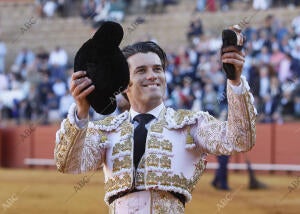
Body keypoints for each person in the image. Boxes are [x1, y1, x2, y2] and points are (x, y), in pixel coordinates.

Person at [54, 41, 256, 213]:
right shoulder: (107, 131)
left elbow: (239, 139)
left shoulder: (190, 125)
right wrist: (81, 111)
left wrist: (235, 82)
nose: (153, 76)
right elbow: (69, 164)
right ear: (125, 84)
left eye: (157, 69)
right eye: (141, 70)